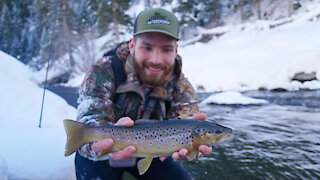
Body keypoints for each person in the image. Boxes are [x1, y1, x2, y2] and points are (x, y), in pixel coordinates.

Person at [75, 7, 212, 180]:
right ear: (132, 46)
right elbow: (89, 121)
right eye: (147, 47)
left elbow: (188, 120)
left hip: (155, 149)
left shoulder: (181, 86)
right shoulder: (104, 71)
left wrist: (193, 148)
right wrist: (98, 145)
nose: (156, 59)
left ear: (176, 51)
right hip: (107, 149)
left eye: (166, 49)